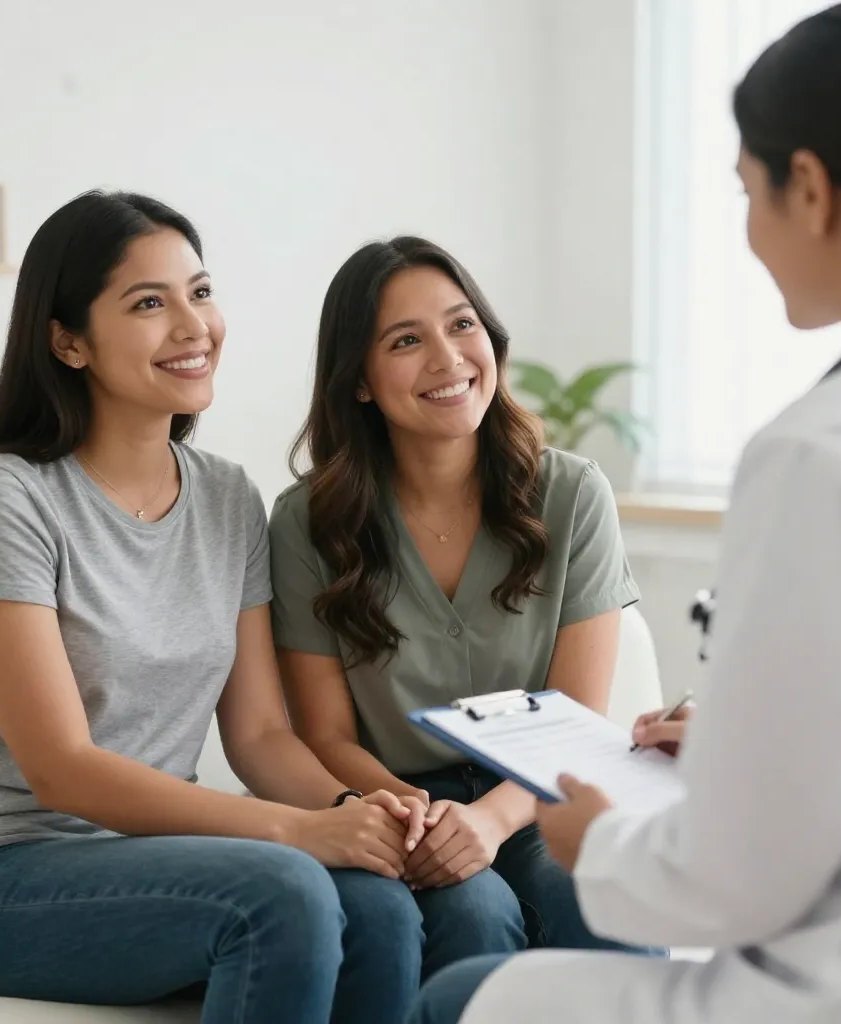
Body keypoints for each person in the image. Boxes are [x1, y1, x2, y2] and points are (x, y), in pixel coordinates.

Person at [408, 1, 841, 1021]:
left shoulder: (826, 449)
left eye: (746, 192)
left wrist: (596, 841)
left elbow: (741, 876)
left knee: (457, 999)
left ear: (808, 187)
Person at [0, 190, 433, 1024]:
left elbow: (259, 735)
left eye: (201, 291)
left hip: (160, 862)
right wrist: (293, 835)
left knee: (380, 907)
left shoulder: (226, 496)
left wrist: (348, 813)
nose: (194, 326)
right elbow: (61, 768)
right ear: (68, 341)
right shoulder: (3, 496)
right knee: (285, 889)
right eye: (149, 303)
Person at [269, 233, 659, 980]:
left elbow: (579, 717)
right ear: (358, 380)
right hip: (401, 806)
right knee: (473, 913)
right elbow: (324, 736)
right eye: (406, 340)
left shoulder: (572, 493)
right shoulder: (305, 522)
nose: (448, 359)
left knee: (608, 891)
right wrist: (421, 817)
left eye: (461, 324)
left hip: (542, 797)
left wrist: (488, 819)